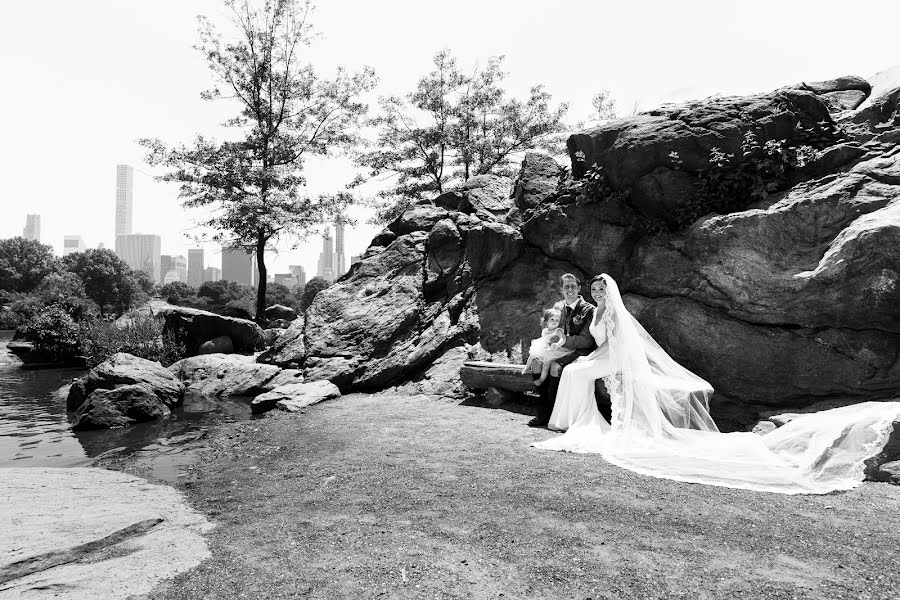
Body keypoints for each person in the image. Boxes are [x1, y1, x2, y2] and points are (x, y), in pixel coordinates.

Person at [532, 273, 900, 495]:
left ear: (607, 291)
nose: (598, 293)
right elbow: (593, 339)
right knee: (574, 371)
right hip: (601, 355)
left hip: (615, 358)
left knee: (577, 371)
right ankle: (566, 419)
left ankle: (577, 422)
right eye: (595, 290)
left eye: (600, 289)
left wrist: (592, 359)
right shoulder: (594, 310)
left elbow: (616, 344)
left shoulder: (613, 310)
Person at [528, 273, 596, 428]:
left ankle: (551, 412)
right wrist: (549, 340)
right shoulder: (558, 307)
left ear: (579, 288)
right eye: (566, 286)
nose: (570, 289)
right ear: (561, 289)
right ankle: (544, 408)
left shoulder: (588, 310)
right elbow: (550, 327)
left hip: (579, 351)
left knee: (555, 366)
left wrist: (562, 341)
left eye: (573, 286)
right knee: (537, 364)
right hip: (558, 349)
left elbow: (586, 341)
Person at [522, 308, 572, 386]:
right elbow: (544, 340)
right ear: (546, 321)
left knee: (546, 364)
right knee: (532, 354)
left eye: (557, 320)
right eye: (552, 319)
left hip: (554, 350)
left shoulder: (558, 330)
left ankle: (541, 379)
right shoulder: (545, 330)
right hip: (546, 348)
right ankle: (527, 367)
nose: (554, 322)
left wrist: (558, 344)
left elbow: (563, 339)